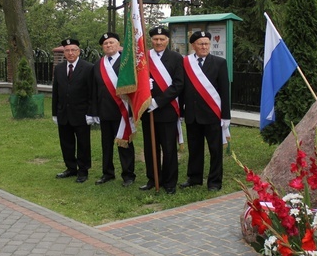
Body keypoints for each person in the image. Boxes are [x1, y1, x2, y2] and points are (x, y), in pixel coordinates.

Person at [180, 31, 231, 191]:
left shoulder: (220, 63)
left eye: (207, 43)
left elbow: (224, 90)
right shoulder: (186, 63)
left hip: (212, 114)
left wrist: (226, 115)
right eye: (201, 44)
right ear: (193, 45)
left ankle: (215, 181)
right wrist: (181, 111)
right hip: (193, 114)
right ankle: (194, 178)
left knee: (215, 150)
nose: (204, 46)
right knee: (194, 148)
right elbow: (182, 89)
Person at [140, 26, 185, 195]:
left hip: (167, 110)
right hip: (148, 111)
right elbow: (136, 80)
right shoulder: (144, 58)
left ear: (167, 40)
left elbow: (178, 84)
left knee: (168, 148)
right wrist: (145, 90)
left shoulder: (176, 58)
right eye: (155, 39)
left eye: (162, 39)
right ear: (151, 40)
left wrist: (158, 102)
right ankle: (153, 179)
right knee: (150, 147)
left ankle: (169, 182)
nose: (158, 42)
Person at [92, 32, 136, 187]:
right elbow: (94, 90)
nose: (109, 45)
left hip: (122, 111)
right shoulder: (98, 65)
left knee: (124, 144)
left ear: (118, 45)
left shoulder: (127, 63)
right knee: (106, 145)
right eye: (105, 44)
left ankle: (128, 174)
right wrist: (94, 112)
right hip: (104, 111)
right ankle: (107, 173)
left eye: (111, 42)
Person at [52, 38, 95, 183]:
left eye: (73, 50)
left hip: (81, 113)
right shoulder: (58, 68)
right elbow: (56, 91)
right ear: (64, 53)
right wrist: (54, 113)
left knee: (83, 143)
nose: (70, 53)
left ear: (79, 51)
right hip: (63, 112)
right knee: (66, 143)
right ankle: (70, 168)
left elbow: (91, 93)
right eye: (67, 50)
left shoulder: (88, 67)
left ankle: (83, 171)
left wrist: (91, 112)